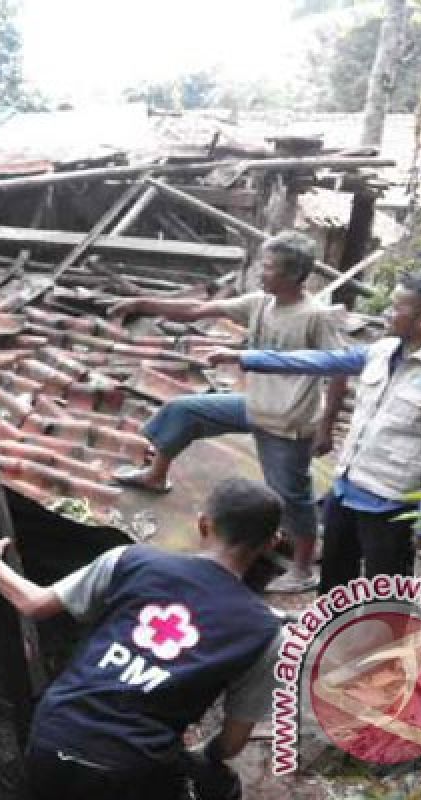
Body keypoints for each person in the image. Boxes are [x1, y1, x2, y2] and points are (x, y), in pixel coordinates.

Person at [0, 478, 285, 800]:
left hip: (54, 733)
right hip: (132, 767)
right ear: (272, 543)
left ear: (204, 524)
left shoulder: (130, 561)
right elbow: (230, 745)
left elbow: (33, 604)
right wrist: (201, 754)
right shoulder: (265, 633)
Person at [207, 271, 421, 592]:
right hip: (348, 487)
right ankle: (326, 634)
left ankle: (379, 642)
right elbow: (322, 360)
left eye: (396, 308)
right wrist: (247, 358)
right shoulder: (383, 350)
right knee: (335, 578)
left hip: (392, 503)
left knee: (385, 589)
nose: (387, 314)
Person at [109, 230, 349, 592]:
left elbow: (339, 371)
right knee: (184, 411)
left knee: (291, 496)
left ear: (292, 274)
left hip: (289, 420)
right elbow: (196, 309)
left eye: (267, 267)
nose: (260, 273)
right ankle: (155, 477)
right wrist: (142, 303)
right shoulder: (260, 303)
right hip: (255, 405)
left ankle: (302, 570)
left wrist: (326, 427)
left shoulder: (315, 317)